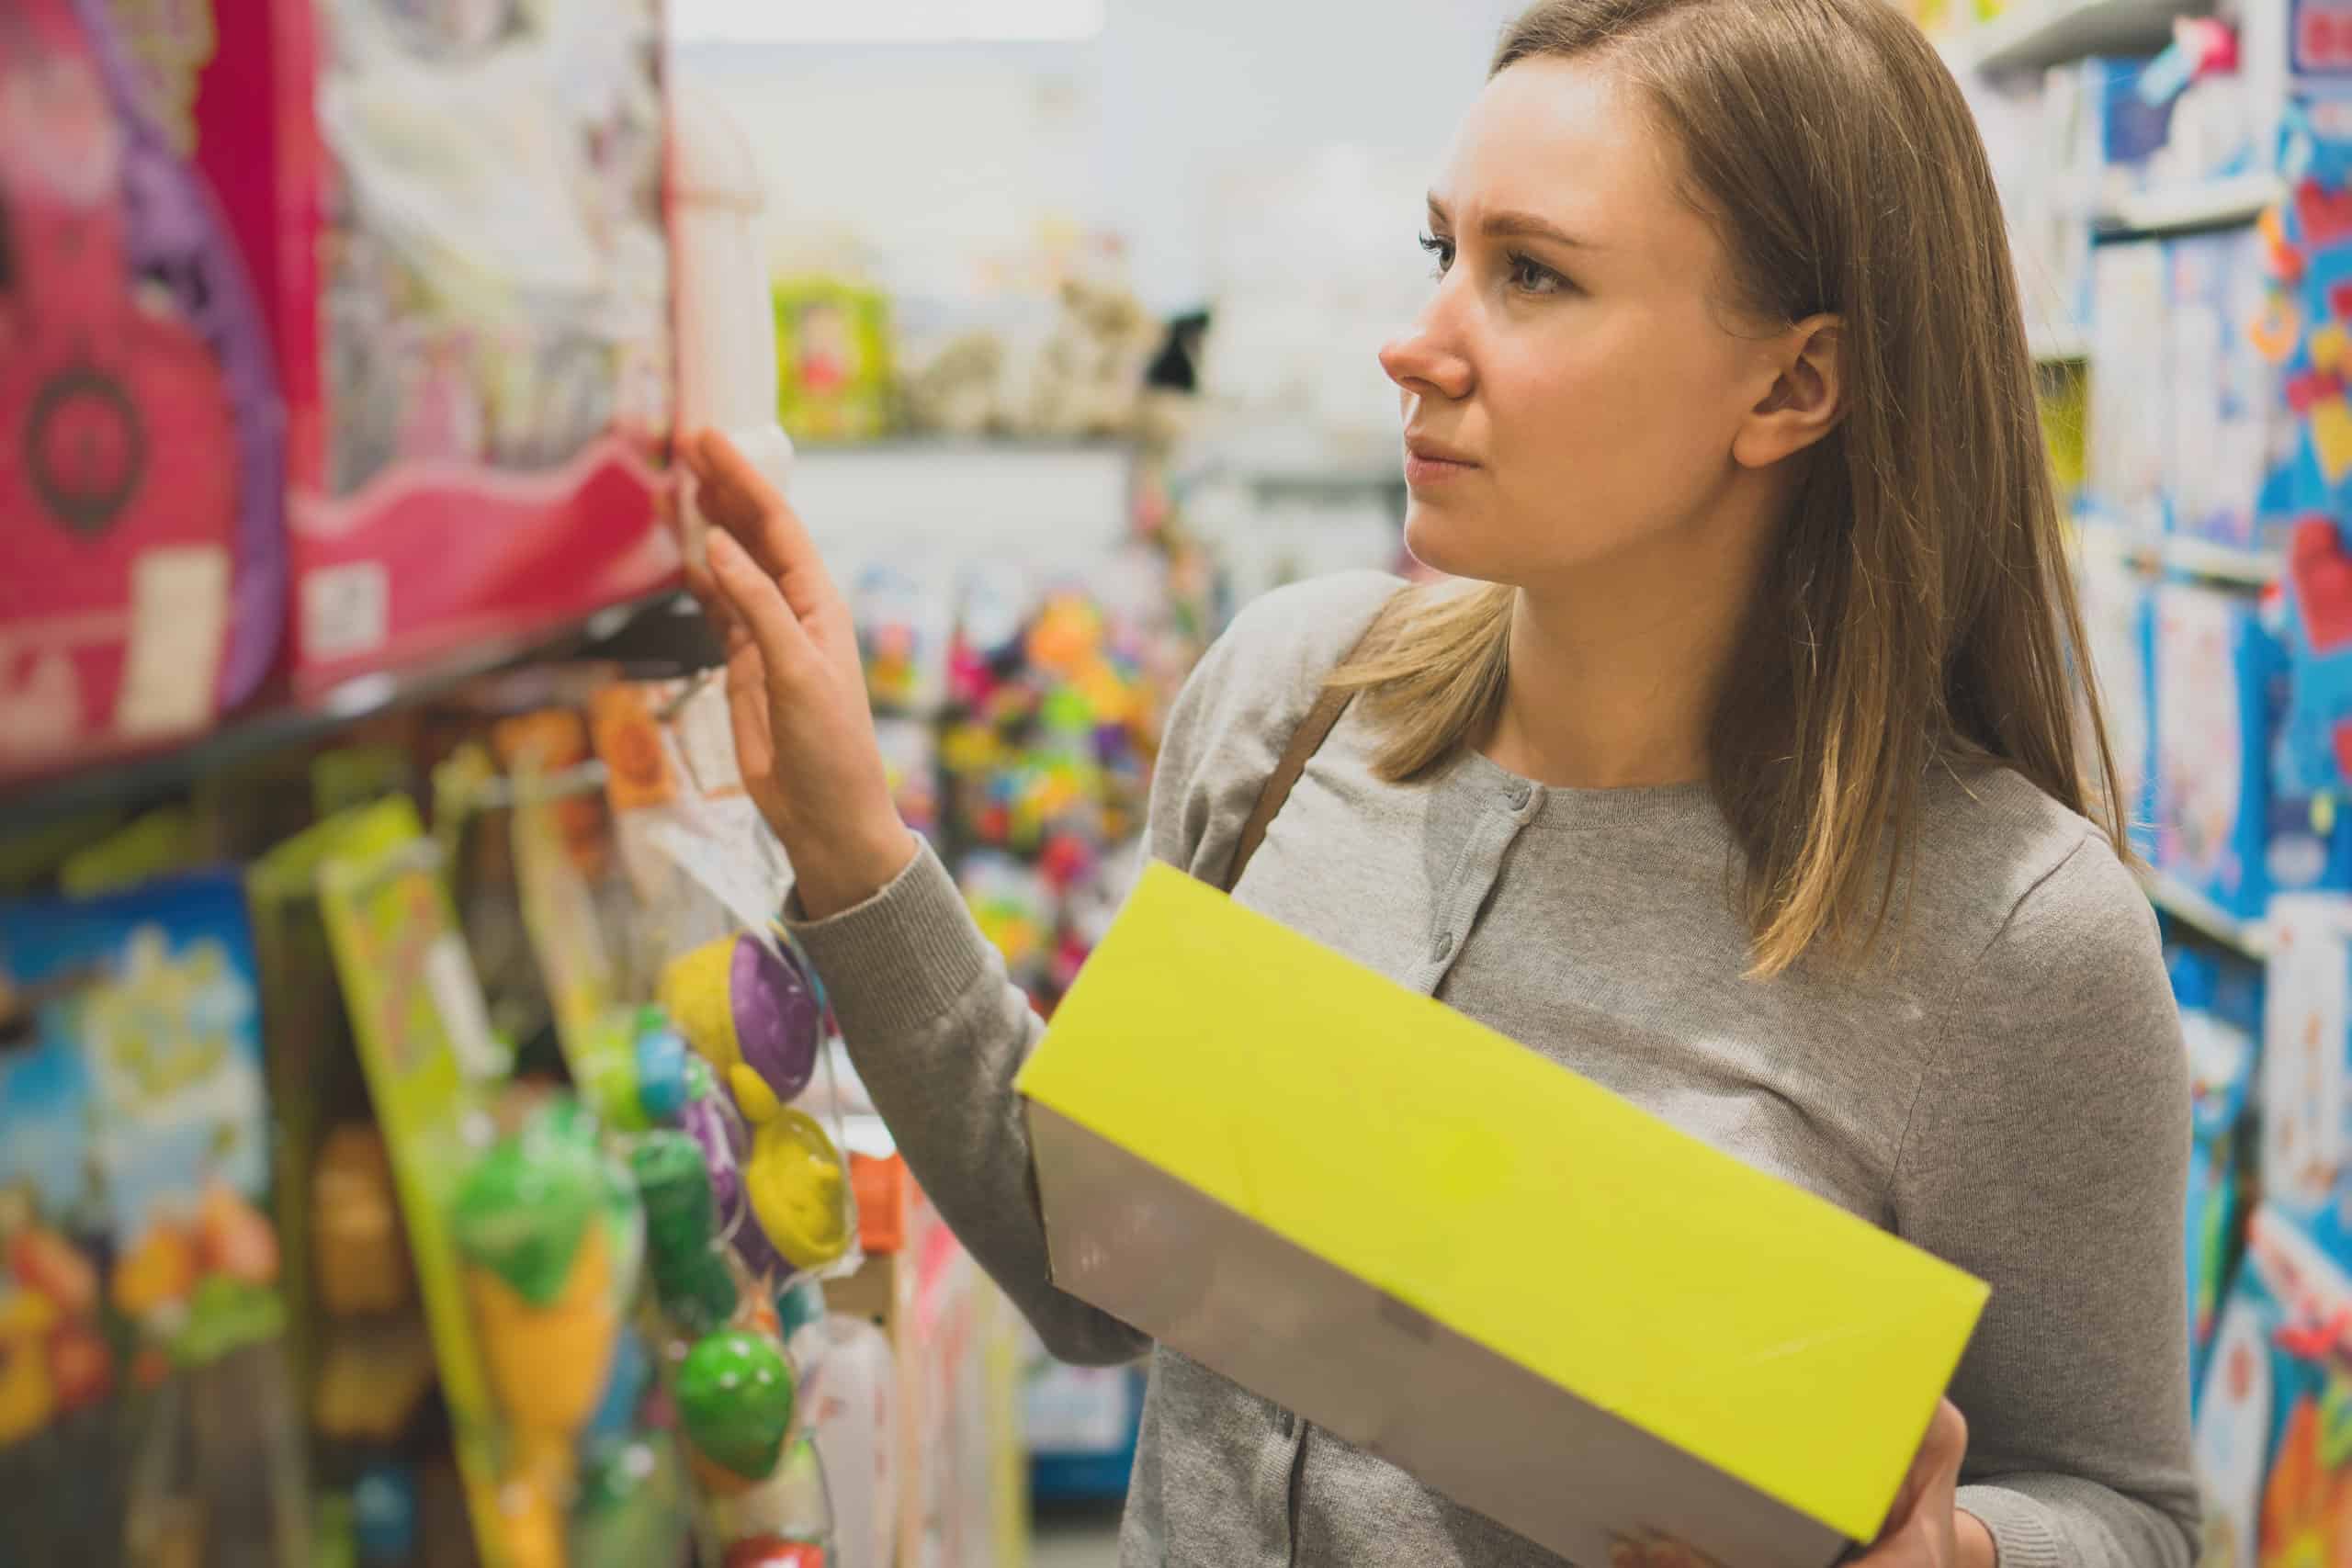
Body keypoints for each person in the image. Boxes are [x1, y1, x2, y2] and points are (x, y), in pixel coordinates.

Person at [683, 0, 2199, 1562]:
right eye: (1442, 252)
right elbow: (1090, 1265)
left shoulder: (2011, 933)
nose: (1415, 342)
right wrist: (845, 829)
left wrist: (1964, 1553)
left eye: (1531, 273)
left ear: (1792, 387)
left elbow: (2127, 1505)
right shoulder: (1289, 706)